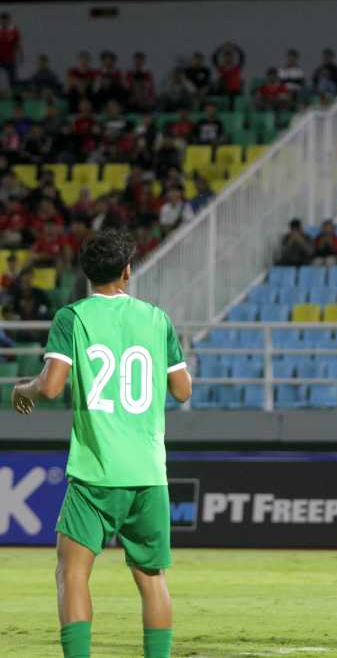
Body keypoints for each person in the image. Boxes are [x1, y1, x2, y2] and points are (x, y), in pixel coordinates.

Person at [11, 228, 192, 658]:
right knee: (152, 579)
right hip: (149, 474)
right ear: (128, 271)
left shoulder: (72, 318)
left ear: (86, 274)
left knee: (72, 574)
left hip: (95, 472)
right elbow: (183, 391)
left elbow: (52, 387)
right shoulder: (157, 319)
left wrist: (25, 389)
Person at [0, 12, 22, 92]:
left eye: (6, 20)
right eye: (3, 20)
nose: (4, 22)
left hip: (10, 59)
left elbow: (18, 44)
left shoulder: (14, 30)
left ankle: (12, 93)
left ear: (9, 20)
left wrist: (21, 55)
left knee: (12, 79)